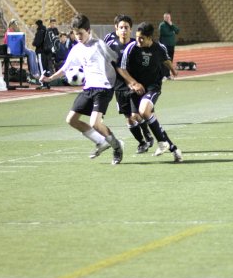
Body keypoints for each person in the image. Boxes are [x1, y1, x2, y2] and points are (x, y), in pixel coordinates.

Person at [41, 13, 124, 165]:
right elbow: (66, 68)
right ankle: (101, 141)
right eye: (75, 33)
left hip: (103, 88)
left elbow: (117, 61)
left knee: (95, 123)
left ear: (89, 31)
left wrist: (125, 82)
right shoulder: (77, 49)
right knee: (71, 120)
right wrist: (50, 79)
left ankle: (116, 146)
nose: (78, 36)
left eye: (81, 33)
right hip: (88, 88)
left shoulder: (99, 45)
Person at [118, 21, 183, 163]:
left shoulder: (159, 48)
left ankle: (161, 142)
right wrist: (134, 83)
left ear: (149, 38)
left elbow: (165, 59)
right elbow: (122, 69)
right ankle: (172, 148)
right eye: (137, 37)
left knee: (144, 111)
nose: (138, 40)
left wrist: (173, 69)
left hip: (153, 86)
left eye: (141, 38)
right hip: (136, 89)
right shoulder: (131, 48)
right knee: (136, 116)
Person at [105, 14, 154, 154]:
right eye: (121, 27)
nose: (124, 30)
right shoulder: (110, 45)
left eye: (126, 27)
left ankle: (147, 133)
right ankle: (142, 142)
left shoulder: (135, 45)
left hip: (134, 84)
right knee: (129, 118)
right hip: (119, 86)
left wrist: (137, 82)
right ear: (116, 28)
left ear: (131, 29)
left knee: (136, 114)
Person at [158, 12, 180, 78]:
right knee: (165, 60)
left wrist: (172, 26)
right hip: (165, 45)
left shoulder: (171, 25)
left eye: (168, 17)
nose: (167, 19)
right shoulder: (162, 25)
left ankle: (167, 74)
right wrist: (172, 32)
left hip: (171, 45)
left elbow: (177, 31)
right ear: (164, 18)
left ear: (170, 18)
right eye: (166, 17)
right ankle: (163, 74)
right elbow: (165, 33)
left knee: (170, 60)